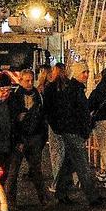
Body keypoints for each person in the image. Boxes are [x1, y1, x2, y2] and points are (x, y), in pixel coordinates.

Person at [50, 63, 103, 207]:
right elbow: (74, 113)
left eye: (87, 71)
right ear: (77, 73)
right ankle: (92, 196)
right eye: (83, 72)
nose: (86, 75)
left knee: (69, 164)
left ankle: (60, 193)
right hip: (74, 132)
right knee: (82, 165)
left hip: (74, 131)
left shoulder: (76, 89)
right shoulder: (73, 90)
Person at [8, 69, 48, 206]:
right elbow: (12, 120)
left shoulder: (37, 94)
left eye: (31, 80)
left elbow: (42, 116)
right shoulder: (14, 96)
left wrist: (42, 137)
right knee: (13, 171)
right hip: (20, 138)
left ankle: (43, 199)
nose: (30, 83)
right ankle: (11, 200)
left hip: (35, 137)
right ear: (20, 81)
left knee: (36, 171)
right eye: (27, 80)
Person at [42, 62, 67, 193]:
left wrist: (49, 121)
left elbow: (46, 107)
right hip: (67, 125)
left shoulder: (50, 87)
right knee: (66, 153)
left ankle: (57, 183)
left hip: (55, 125)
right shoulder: (68, 86)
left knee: (56, 155)